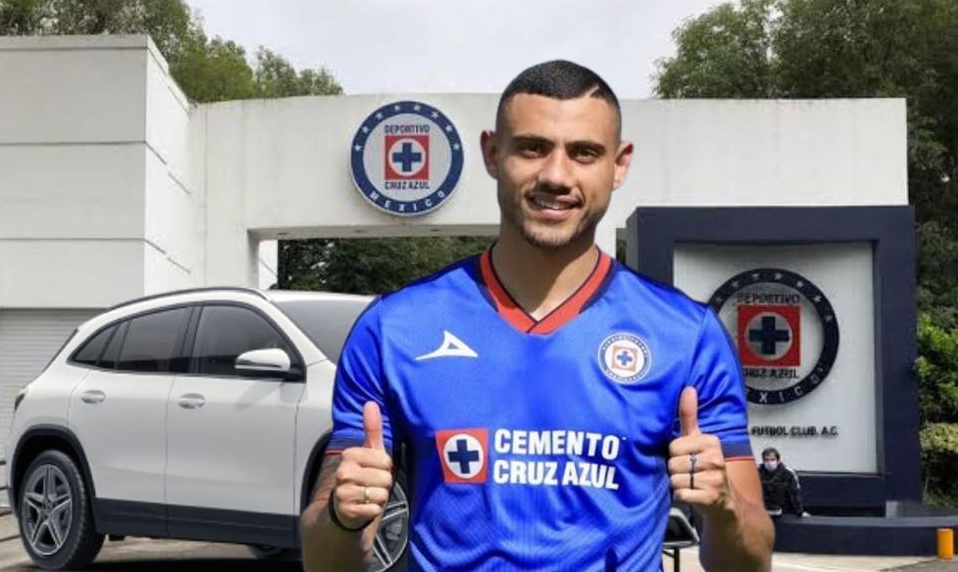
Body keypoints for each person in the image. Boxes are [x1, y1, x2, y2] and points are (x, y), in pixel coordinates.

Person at [299, 59, 775, 571]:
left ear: (619, 164)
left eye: (584, 153)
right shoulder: (394, 328)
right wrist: (343, 518)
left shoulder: (687, 337)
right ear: (491, 153)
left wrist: (724, 509)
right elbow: (325, 562)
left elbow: (750, 563)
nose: (555, 175)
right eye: (532, 148)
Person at [758, 447, 807, 519]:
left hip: (781, 511)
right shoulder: (755, 472)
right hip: (760, 511)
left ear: (778, 461)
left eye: (772, 460)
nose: (769, 463)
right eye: (766, 460)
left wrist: (800, 512)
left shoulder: (788, 473)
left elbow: (794, 493)